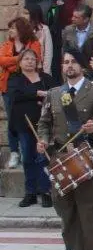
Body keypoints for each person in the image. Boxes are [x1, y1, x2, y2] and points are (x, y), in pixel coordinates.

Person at [37, 49, 93, 250]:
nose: (69, 66)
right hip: (61, 158)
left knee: (86, 212)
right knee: (66, 212)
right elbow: (44, 123)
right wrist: (43, 140)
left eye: (73, 62)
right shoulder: (54, 93)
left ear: (82, 66)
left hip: (86, 156)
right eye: (65, 62)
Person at [7, 48, 55, 206]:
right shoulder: (15, 79)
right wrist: (37, 94)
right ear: (20, 62)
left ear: (37, 62)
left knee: (42, 158)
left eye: (33, 59)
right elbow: (16, 95)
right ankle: (31, 193)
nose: (30, 61)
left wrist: (41, 97)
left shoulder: (45, 78)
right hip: (24, 124)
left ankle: (45, 191)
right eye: (26, 59)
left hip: (44, 125)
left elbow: (54, 93)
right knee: (27, 158)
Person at [2, 17, 42, 170]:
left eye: (13, 28)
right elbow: (2, 61)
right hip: (10, 85)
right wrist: (20, 58)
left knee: (29, 119)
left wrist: (14, 62)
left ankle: (28, 152)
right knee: (12, 119)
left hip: (29, 83)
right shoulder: (7, 44)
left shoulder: (34, 43)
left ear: (21, 30)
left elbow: (34, 60)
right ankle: (14, 152)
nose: (10, 31)